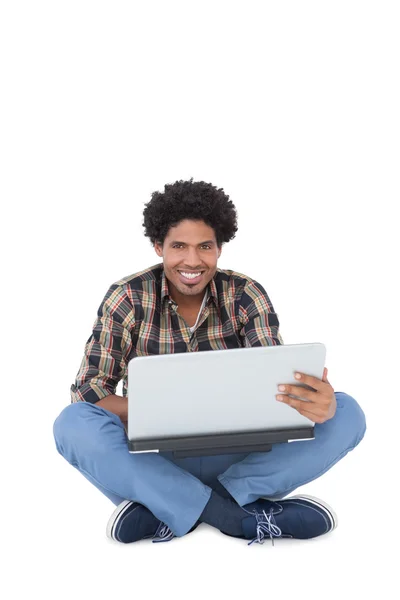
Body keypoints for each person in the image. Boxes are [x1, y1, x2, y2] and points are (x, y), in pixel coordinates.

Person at [53, 178, 366, 546]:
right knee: (72, 424)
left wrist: (315, 401)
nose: (192, 260)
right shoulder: (128, 296)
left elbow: (276, 383)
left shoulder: (245, 293)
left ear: (219, 248)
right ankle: (235, 517)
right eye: (178, 246)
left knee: (346, 412)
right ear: (158, 247)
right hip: (156, 458)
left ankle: (168, 511)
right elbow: (90, 391)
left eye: (205, 246)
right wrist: (160, 411)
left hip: (241, 460)